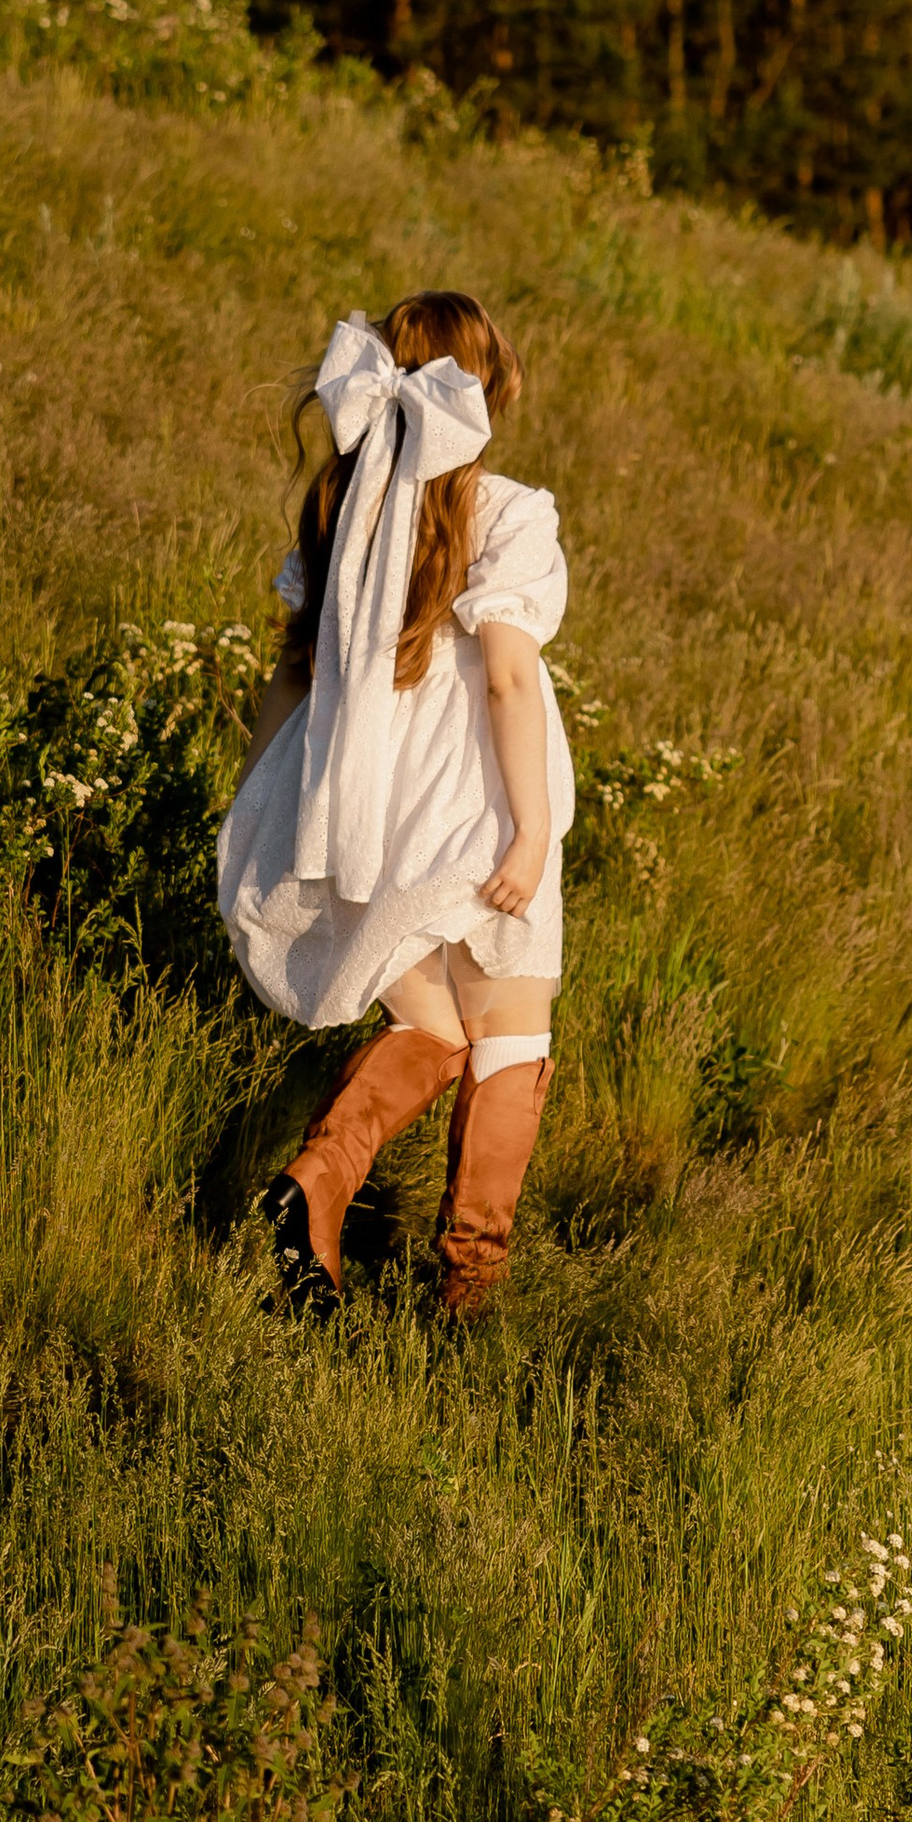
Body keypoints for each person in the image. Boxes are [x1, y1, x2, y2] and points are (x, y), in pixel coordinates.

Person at [218, 291, 574, 1321]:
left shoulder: (344, 511)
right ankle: (466, 1294)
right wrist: (530, 825)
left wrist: (259, 804)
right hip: (473, 800)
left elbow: (290, 675)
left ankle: (318, 1186)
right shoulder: (505, 511)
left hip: (369, 808)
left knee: (433, 1026)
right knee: (508, 1031)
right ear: (482, 382)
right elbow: (505, 676)